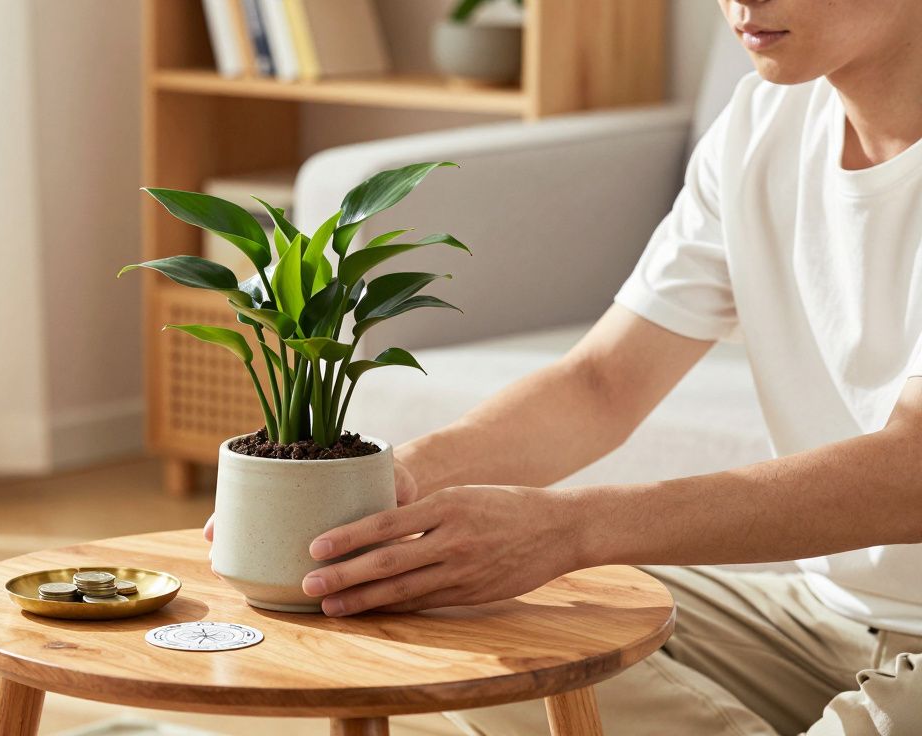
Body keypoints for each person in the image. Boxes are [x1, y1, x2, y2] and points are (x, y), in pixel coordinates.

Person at [209, 0, 922, 733]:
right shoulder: (761, 121)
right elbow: (603, 384)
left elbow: (912, 470)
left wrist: (573, 527)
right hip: (814, 617)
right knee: (444, 602)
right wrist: (401, 482)